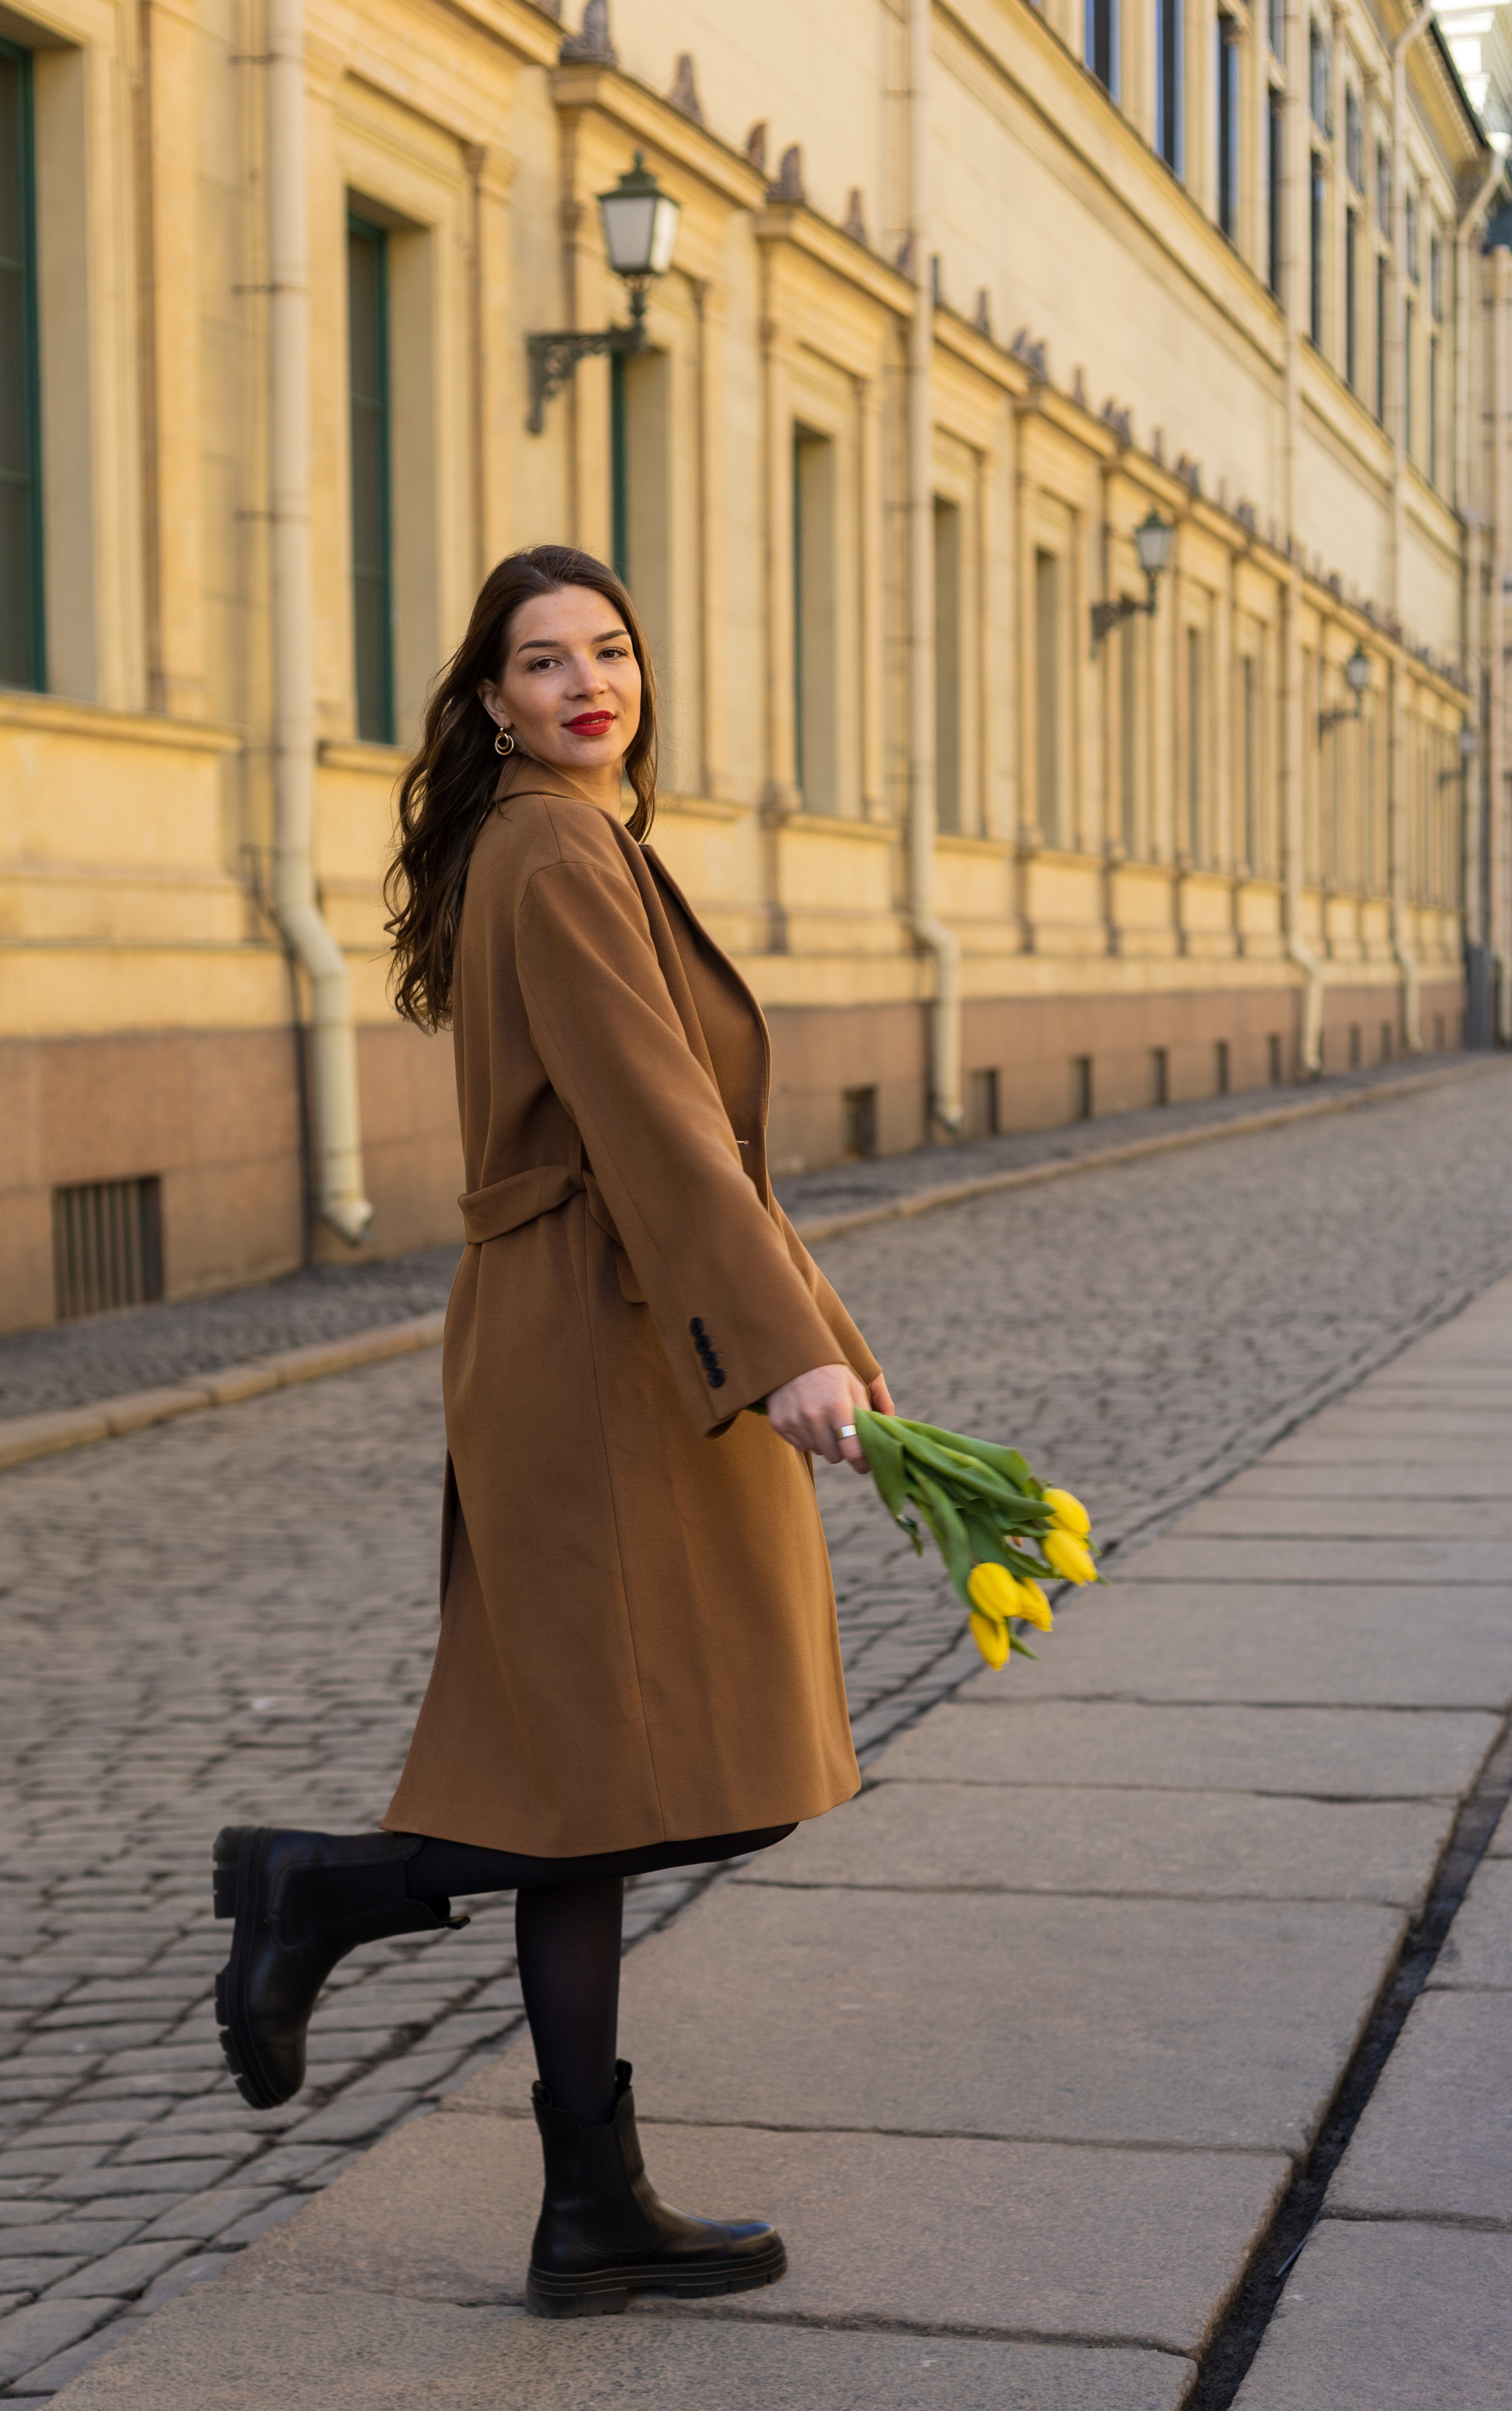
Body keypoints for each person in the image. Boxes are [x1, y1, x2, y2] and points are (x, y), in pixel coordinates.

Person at [212, 544, 894, 2319]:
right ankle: (327, 1892)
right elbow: (656, 1118)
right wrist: (773, 1348)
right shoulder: (557, 846)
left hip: (606, 1324)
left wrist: (822, 1333)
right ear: (494, 698)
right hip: (602, 1345)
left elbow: (688, 1135)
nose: (589, 681)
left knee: (597, 1779)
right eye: (542, 661)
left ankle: (589, 2206)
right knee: (663, 1764)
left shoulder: (561, 838)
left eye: (610, 650)